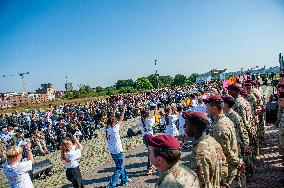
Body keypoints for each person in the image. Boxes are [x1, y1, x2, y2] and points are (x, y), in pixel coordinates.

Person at [205, 95, 244, 187]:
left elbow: (225, 151)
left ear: (214, 108)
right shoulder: (226, 119)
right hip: (230, 165)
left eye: (207, 107)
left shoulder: (219, 127)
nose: (206, 109)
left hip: (227, 169)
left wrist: (237, 163)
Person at [183, 111, 228, 188]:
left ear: (195, 128)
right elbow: (224, 166)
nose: (185, 126)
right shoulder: (212, 141)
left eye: (187, 124)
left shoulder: (199, 153)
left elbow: (203, 184)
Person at [105, 104, 130, 188]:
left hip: (112, 150)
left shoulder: (107, 128)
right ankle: (111, 185)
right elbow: (121, 118)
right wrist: (123, 109)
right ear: (114, 122)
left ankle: (124, 179)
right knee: (119, 167)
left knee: (120, 165)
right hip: (118, 150)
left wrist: (114, 109)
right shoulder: (115, 128)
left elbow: (112, 118)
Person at [140, 105, 157, 174]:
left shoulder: (141, 121)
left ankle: (151, 166)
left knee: (151, 152)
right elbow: (155, 115)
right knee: (151, 153)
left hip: (144, 138)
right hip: (150, 138)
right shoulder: (150, 121)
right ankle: (149, 168)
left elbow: (141, 116)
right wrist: (155, 108)